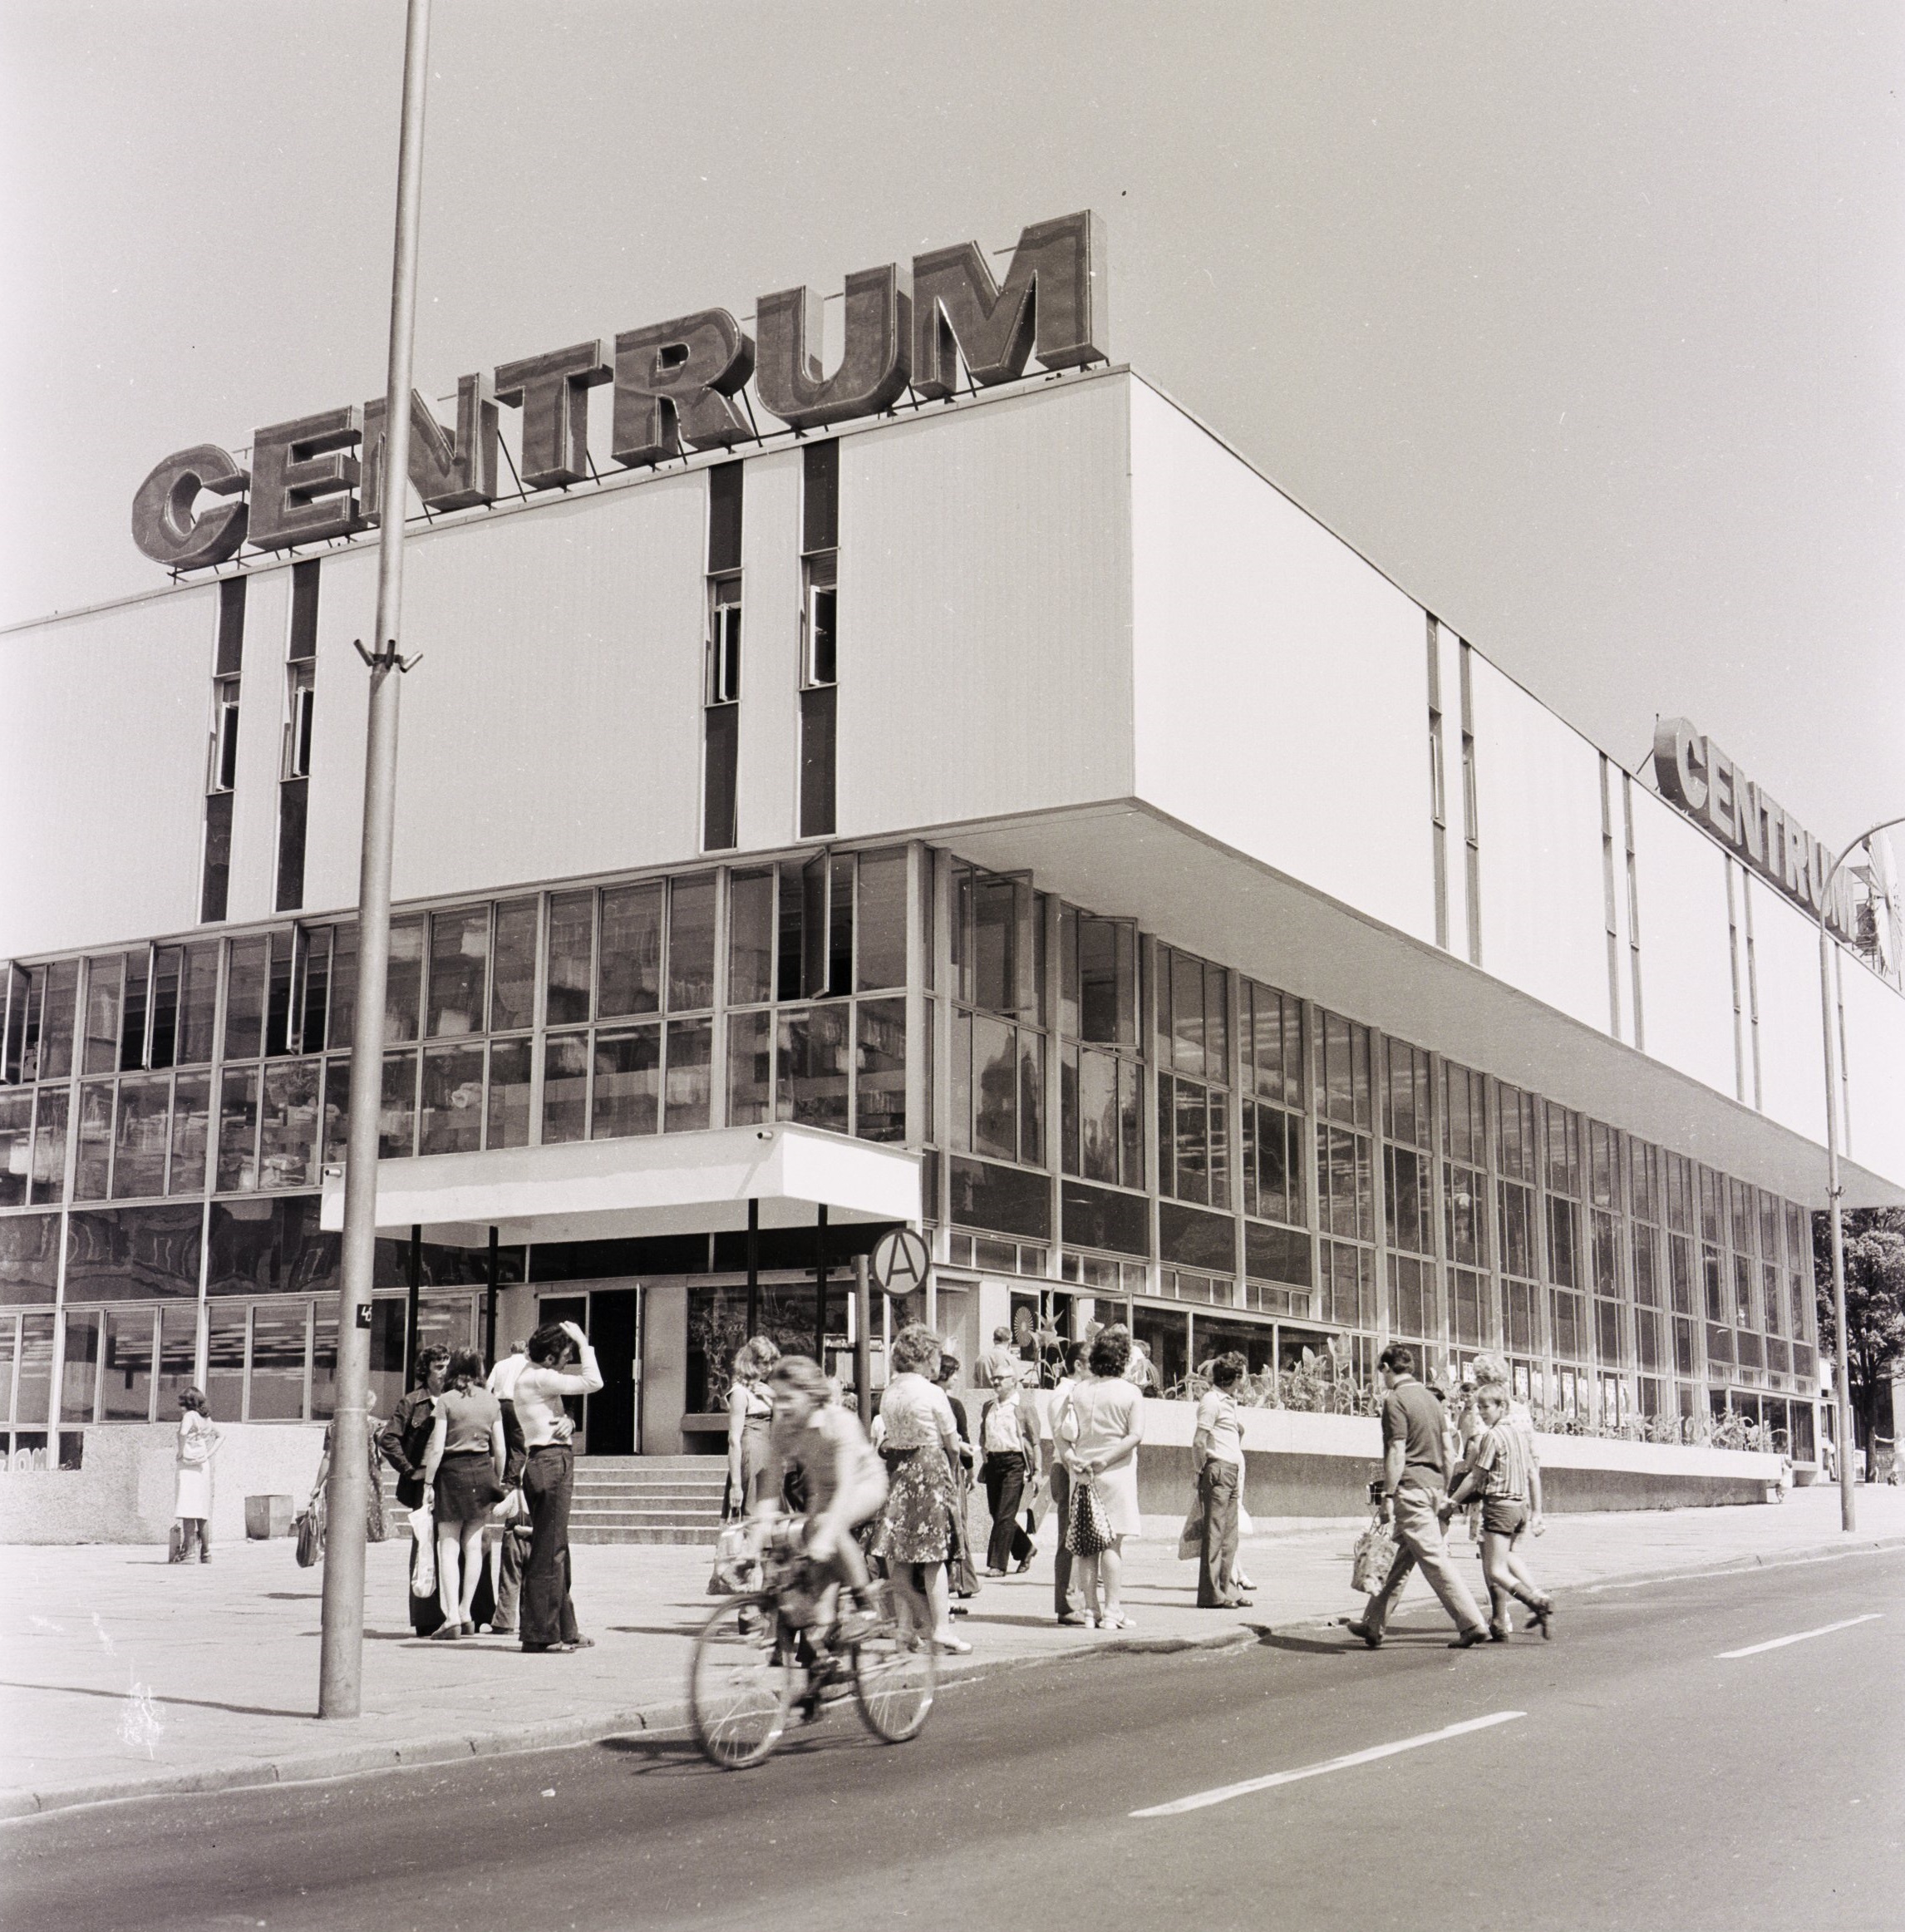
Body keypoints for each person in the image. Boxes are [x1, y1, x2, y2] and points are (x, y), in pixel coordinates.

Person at [1349, 1344, 1489, 1649]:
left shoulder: (1396, 1400)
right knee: (1399, 1559)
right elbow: (1449, 1450)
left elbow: (1397, 1450)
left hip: (1410, 1489)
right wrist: (1443, 1489)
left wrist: (1387, 1494)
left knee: (1433, 1558)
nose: (1381, 1377)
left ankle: (1472, 1622)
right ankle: (1373, 1624)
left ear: (1387, 1368)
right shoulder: (1431, 1399)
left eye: (1380, 1371)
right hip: (1433, 1486)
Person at [752, 1353, 888, 1621]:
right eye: (777, 1397)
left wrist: (826, 1537)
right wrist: (755, 1540)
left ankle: (865, 1601)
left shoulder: (839, 1423)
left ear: (812, 1395)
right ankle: (826, 1647)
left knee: (826, 1527)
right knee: (810, 1569)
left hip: (864, 1484)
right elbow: (769, 1489)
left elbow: (847, 1487)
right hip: (822, 1491)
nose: (782, 1406)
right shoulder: (783, 1427)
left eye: (789, 1398)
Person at [872, 1323, 970, 1654]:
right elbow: (951, 1442)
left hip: (899, 1472)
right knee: (934, 1557)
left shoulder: (889, 1392)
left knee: (901, 1556)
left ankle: (903, 1629)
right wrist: (956, 1465)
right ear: (926, 1357)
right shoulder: (932, 1393)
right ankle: (940, 1628)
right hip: (930, 1472)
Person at [513, 1319, 603, 1654]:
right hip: (551, 1464)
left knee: (556, 1548)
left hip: (546, 1460)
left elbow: (551, 1415)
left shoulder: (533, 1377)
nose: (568, 1361)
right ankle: (540, 1633)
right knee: (549, 1552)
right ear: (550, 1358)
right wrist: (583, 1342)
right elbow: (594, 1382)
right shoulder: (540, 1375)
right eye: (566, 1355)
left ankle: (564, 1628)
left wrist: (570, 1420)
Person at [1442, 1385, 1553, 1640]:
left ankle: (1535, 1602)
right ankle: (1527, 1601)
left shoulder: (1492, 1437)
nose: (1481, 1413)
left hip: (1499, 1508)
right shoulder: (1519, 1435)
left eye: (1486, 1407)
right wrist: (1537, 1511)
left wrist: (1452, 1501)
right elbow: (1531, 1473)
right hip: (1519, 1508)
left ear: (1502, 1407)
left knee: (1495, 1570)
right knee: (1509, 1558)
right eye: (1479, 1407)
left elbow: (1477, 1475)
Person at [1055, 1326, 1144, 1630]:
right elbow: (1136, 1434)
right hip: (1115, 1472)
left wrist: (1073, 1459)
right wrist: (1106, 1458)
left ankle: (1090, 1610)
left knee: (1087, 1545)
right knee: (1112, 1544)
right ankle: (1112, 1610)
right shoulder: (1130, 1392)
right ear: (1122, 1360)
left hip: (1082, 1475)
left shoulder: (1078, 1390)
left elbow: (1062, 1435)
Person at [421, 1350, 507, 1639]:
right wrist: (499, 1478)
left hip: (452, 1472)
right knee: (474, 1546)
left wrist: (428, 1483)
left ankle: (452, 1617)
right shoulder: (491, 1400)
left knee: (448, 1545)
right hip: (482, 1470)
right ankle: (467, 1611)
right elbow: (501, 1448)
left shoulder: (446, 1401)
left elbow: (437, 1447)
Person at [378, 1346, 460, 1635]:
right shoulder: (413, 1402)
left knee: (467, 1544)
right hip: (423, 1481)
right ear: (426, 1370)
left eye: (448, 1365)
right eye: (439, 1366)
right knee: (425, 1543)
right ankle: (427, 1617)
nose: (445, 1372)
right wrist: (410, 1470)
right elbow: (388, 1439)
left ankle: (467, 1612)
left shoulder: (458, 1398)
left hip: (455, 1478)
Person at [1192, 1352, 1251, 1608]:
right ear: (1235, 1377)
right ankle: (1211, 1594)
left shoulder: (1229, 1401)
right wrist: (1200, 1471)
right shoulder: (1212, 1401)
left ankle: (1227, 1588)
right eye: (1244, 1375)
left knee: (1229, 1536)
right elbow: (1198, 1441)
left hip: (1231, 1471)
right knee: (1215, 1535)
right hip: (1218, 1470)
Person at [485, 1341, 531, 1635]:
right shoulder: (526, 1366)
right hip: (516, 1402)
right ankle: (515, 1477)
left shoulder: (501, 1364)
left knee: (508, 1444)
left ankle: (510, 1477)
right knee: (520, 1444)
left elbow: (489, 1386)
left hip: (500, 1403)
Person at [979, 1362, 1041, 1575]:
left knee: (1005, 1513)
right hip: (994, 1462)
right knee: (996, 1512)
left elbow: (1034, 1442)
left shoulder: (1023, 1407)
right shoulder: (989, 1406)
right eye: (994, 1378)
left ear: (1013, 1382)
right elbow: (984, 1433)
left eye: (1001, 1378)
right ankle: (1026, 1548)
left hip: (1015, 1463)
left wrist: (1037, 1471)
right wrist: (984, 1452)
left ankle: (997, 1564)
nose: (995, 1382)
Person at [309, 1389, 386, 1546]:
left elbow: (328, 1457)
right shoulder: (377, 1425)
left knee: (341, 1526)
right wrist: (377, 1462)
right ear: (370, 1406)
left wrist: (317, 1485)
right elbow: (387, 1451)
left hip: (340, 1478)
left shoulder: (334, 1424)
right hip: (368, 1478)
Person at [1047, 1341, 1090, 1624]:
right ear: (1078, 1365)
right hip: (1067, 1469)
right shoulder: (1064, 1394)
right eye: (1092, 1364)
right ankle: (1067, 1603)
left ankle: (1076, 1600)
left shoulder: (1078, 1392)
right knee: (1069, 1539)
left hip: (1073, 1470)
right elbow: (1062, 1438)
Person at [934, 1353, 981, 1607]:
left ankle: (957, 1581)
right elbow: (963, 1439)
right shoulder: (953, 1405)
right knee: (958, 1523)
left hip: (931, 1468)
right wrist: (969, 1469)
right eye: (954, 1373)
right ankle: (964, 1580)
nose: (956, 1378)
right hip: (951, 1469)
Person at [726, 1336, 780, 1515]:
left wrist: (775, 1397)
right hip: (751, 1457)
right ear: (751, 1363)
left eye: (771, 1363)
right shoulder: (740, 1393)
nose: (769, 1368)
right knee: (752, 1515)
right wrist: (735, 1484)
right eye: (765, 1363)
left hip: (767, 1457)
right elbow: (734, 1439)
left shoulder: (764, 1389)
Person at [170, 1388, 221, 1563]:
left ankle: (189, 1551)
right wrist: (208, 1453)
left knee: (187, 1509)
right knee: (201, 1510)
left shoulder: (190, 1416)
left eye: (183, 1403)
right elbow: (221, 1435)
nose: (181, 1407)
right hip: (202, 1466)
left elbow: (183, 1433)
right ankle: (206, 1553)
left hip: (187, 1465)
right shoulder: (206, 1418)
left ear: (188, 1402)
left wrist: (180, 1450)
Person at [978, 1325, 1022, 1392]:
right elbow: (1018, 1385)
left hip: (983, 1399)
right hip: (1002, 1399)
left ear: (994, 1340)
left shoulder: (980, 1358)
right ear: (1010, 1341)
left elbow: (976, 1384)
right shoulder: (1011, 1358)